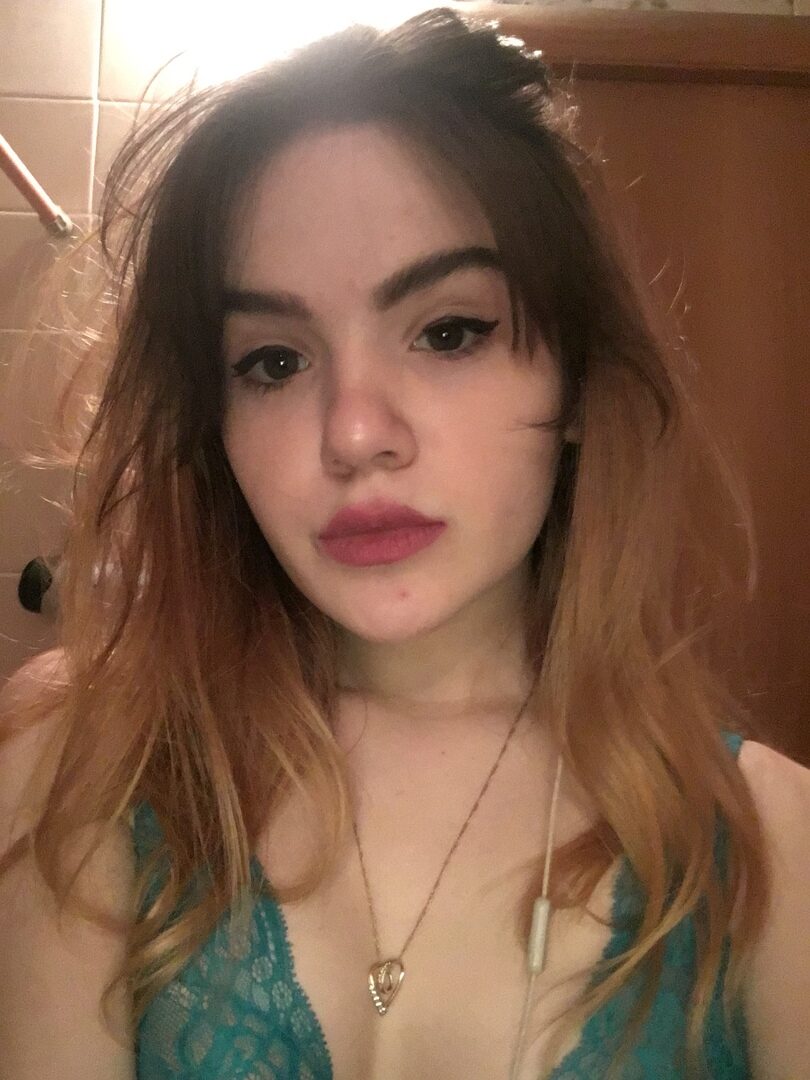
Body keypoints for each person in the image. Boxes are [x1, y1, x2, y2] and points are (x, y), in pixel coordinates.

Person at [1, 8, 808, 1079]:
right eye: (274, 361)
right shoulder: (84, 774)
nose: (354, 434)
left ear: (574, 380)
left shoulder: (774, 851)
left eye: (447, 332)